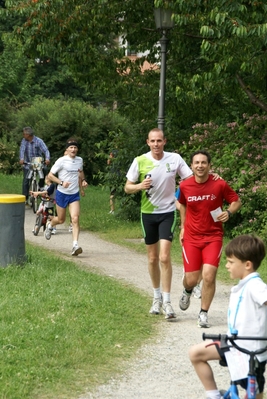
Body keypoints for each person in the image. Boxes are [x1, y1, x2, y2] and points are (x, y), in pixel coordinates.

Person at [124, 127, 194, 319]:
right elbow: (127, 187)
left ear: (165, 141)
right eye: (152, 141)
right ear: (148, 142)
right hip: (147, 214)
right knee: (153, 258)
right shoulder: (140, 161)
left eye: (159, 141)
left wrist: (178, 199)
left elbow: (190, 180)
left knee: (164, 257)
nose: (156, 144)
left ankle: (168, 302)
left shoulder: (175, 159)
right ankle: (156, 298)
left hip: (167, 213)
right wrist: (139, 186)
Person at [189, 234, 267, 399]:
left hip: (251, 353)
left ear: (247, 265)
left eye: (231, 262)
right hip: (234, 346)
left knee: (254, 393)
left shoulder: (255, 286)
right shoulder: (243, 285)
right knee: (196, 353)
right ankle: (214, 396)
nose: (226, 265)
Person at [178, 150, 242, 328]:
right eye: (196, 163)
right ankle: (187, 290)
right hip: (191, 237)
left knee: (208, 275)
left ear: (209, 165)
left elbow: (236, 201)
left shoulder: (219, 184)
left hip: (213, 237)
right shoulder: (185, 186)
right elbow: (181, 203)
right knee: (191, 279)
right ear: (191, 166)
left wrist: (228, 212)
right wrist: (183, 226)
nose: (200, 166)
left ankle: (203, 313)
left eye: (203, 163)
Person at [44, 138, 88, 256]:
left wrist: (83, 180)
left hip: (74, 194)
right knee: (61, 219)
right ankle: (50, 225)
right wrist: (61, 182)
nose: (73, 149)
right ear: (67, 149)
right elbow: (50, 175)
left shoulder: (79, 160)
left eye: (75, 147)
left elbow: (80, 171)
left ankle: (75, 245)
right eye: (71, 147)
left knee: (75, 218)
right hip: (62, 193)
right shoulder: (61, 161)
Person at [19, 126, 50, 203]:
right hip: (27, 163)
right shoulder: (24, 141)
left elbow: (46, 150)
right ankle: (25, 198)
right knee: (26, 180)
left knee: (44, 171)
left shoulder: (38, 141)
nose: (23, 136)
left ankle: (40, 187)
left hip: (37, 162)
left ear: (28, 135)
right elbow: (22, 150)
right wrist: (21, 159)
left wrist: (47, 159)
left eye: (24, 134)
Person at [107, 149, 118, 214]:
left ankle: (112, 210)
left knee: (112, 193)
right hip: (120, 174)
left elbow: (108, 162)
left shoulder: (113, 151)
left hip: (114, 174)